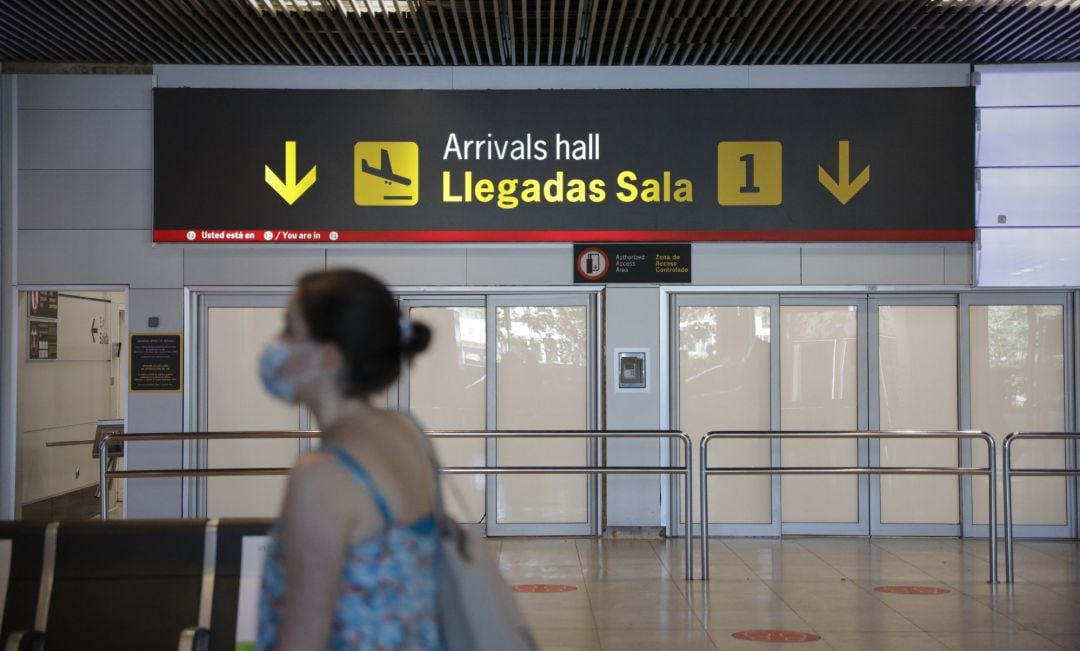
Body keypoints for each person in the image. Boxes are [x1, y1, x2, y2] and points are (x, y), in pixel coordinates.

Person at [255, 269, 441, 651]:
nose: (276, 345)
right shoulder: (407, 432)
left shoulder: (322, 476)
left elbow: (303, 642)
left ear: (328, 357)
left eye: (289, 330)